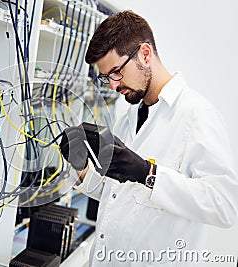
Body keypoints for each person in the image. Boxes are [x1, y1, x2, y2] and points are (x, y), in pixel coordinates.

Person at [59, 10, 238, 266]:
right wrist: (81, 167)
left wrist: (149, 174)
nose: (112, 85)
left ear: (145, 53)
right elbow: (116, 196)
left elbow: (224, 206)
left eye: (116, 72)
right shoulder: (129, 118)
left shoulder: (197, 115)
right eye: (106, 77)